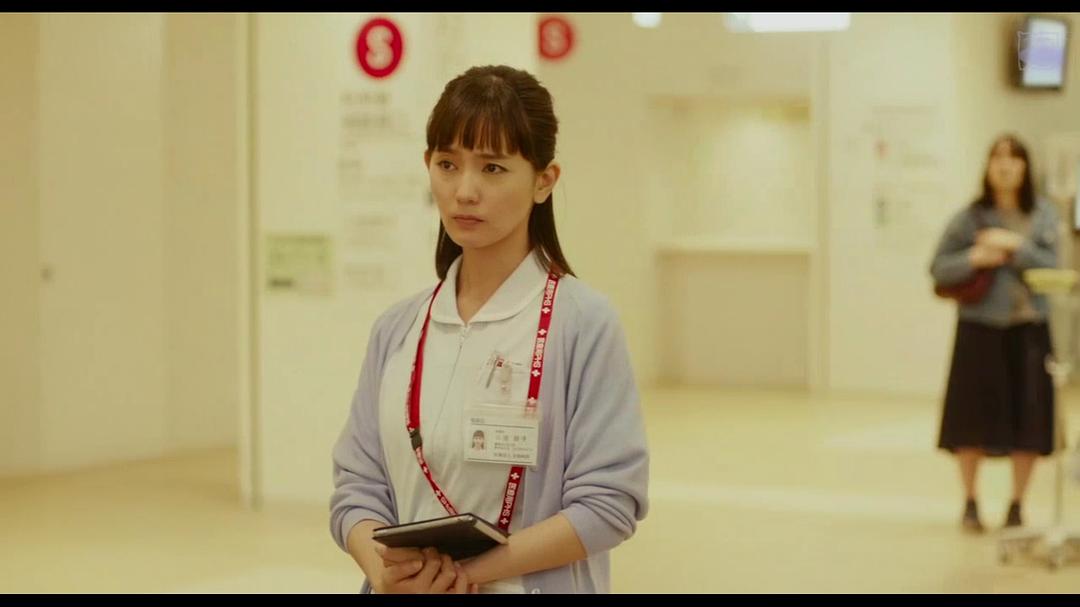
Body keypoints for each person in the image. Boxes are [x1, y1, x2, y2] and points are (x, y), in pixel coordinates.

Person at [329, 65, 649, 594]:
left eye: (493, 168)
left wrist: (461, 577)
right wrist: (386, 575)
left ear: (544, 181)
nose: (464, 191)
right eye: (447, 164)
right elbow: (357, 488)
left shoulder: (583, 324)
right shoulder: (397, 329)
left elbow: (609, 503)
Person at [930, 134, 1060, 533]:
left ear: (1025, 167)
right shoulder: (969, 217)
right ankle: (970, 501)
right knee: (971, 419)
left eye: (1014, 158)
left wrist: (1016, 246)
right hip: (979, 330)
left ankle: (1017, 504)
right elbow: (938, 267)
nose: (1005, 165)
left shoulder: (1043, 215)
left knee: (1030, 420)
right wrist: (975, 257)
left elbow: (1054, 266)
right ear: (987, 166)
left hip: (1029, 329)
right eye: (997, 158)